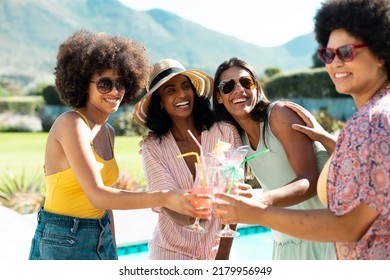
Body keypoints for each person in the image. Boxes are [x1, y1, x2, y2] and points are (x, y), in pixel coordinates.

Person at [214, 0, 390, 260]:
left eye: (346, 52)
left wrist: (257, 208)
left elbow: (349, 226)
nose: (335, 63)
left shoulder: (373, 119)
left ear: (381, 52)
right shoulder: (374, 116)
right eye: (328, 55)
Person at [28, 31, 208, 260]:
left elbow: (106, 205)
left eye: (121, 83)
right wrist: (165, 197)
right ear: (84, 84)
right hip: (62, 240)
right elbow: (98, 196)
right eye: (104, 84)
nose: (115, 91)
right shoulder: (71, 124)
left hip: (99, 235)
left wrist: (111, 246)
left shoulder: (108, 131)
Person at [211, 56, 336, 260]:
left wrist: (260, 199)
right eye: (227, 86)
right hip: (286, 241)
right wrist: (222, 256)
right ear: (219, 97)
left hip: (324, 234)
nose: (239, 90)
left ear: (256, 86)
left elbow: (310, 180)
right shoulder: (234, 137)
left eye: (246, 82)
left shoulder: (279, 114)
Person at [133, 58, 243, 260]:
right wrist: (191, 217)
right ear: (160, 102)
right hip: (171, 254)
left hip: (220, 251)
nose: (182, 94)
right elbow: (165, 201)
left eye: (186, 86)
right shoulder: (153, 148)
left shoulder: (225, 133)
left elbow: (233, 196)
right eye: (171, 90)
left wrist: (223, 256)